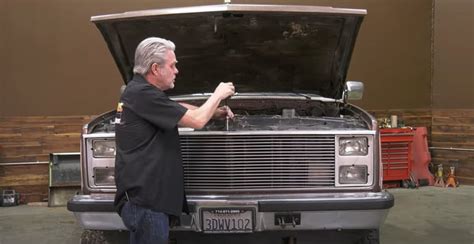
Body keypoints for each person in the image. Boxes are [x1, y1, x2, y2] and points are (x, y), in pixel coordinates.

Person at [114, 37, 235, 244]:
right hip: (147, 204)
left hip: (145, 201)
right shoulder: (143, 95)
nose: (176, 71)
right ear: (155, 69)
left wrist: (213, 112)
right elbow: (196, 121)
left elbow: (174, 107)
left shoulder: (140, 92)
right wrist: (218, 94)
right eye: (172, 65)